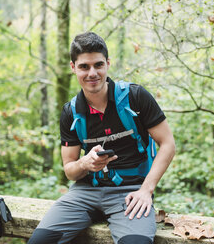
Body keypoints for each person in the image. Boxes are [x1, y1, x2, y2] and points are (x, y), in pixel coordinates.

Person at [27, 32, 175, 244]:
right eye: (84, 67)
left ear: (108, 63)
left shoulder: (135, 97)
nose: (92, 73)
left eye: (98, 65)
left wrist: (146, 190)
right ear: (73, 67)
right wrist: (84, 163)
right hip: (84, 193)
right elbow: (69, 170)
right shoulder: (71, 112)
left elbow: (168, 143)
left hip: (130, 194)